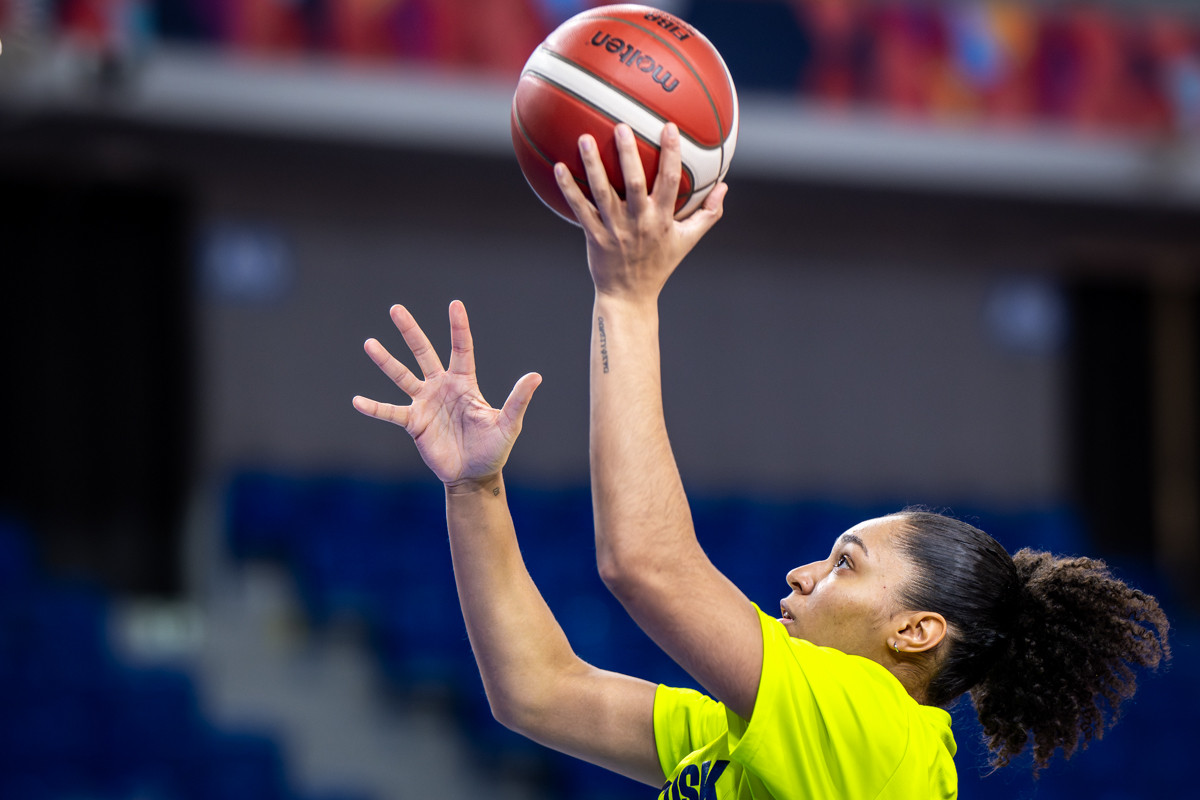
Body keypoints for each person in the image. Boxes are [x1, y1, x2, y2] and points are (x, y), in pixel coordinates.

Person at [352, 122, 1170, 799]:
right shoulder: (764, 733)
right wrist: (475, 487)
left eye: (846, 564)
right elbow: (537, 690)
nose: (802, 575)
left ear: (917, 633)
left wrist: (627, 297)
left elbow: (645, 564)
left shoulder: (880, 736)